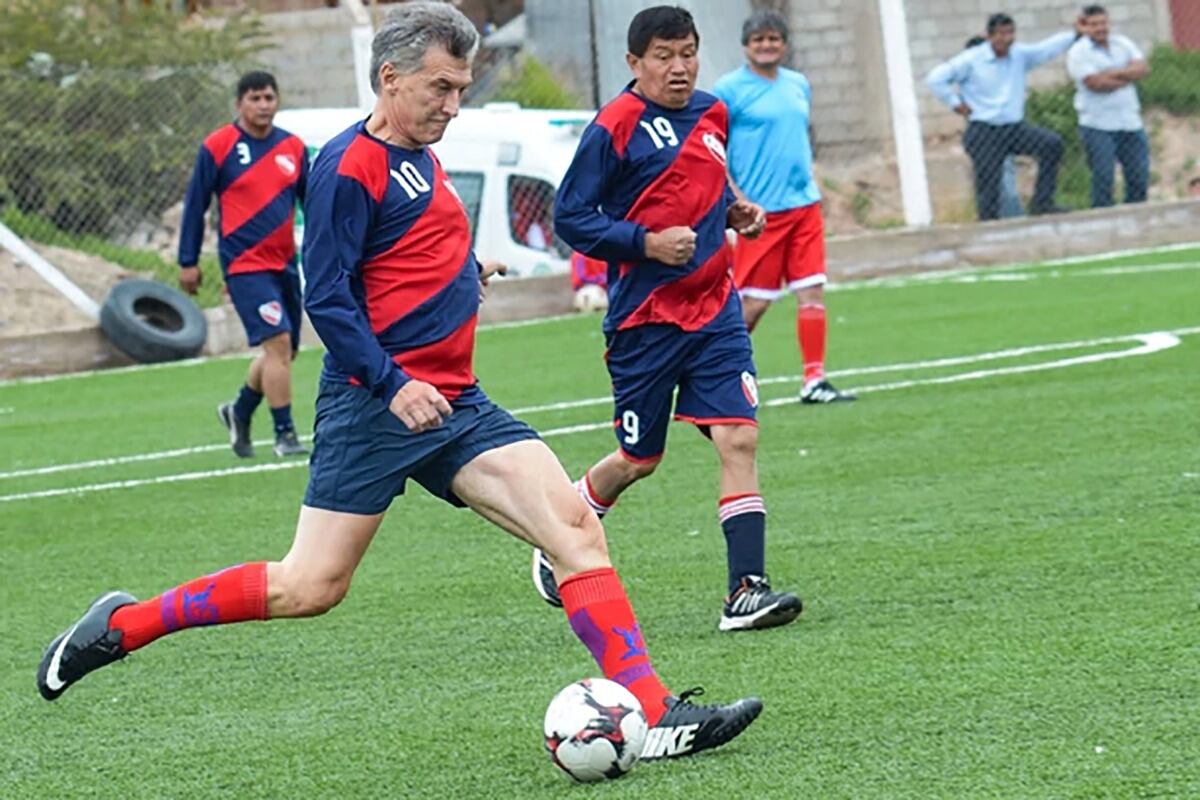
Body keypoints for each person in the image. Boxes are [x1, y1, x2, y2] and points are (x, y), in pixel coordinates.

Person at [36, 2, 762, 762]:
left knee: (575, 530)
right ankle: (124, 626)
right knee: (309, 588)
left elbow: (403, 250)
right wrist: (390, 384)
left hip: (457, 402)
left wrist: (463, 271)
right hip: (373, 407)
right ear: (390, 77)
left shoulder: (422, 152)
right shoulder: (347, 165)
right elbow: (328, 297)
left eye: (462, 89)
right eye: (440, 88)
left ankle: (651, 715)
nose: (453, 105)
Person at [532, 6, 804, 633]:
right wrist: (646, 244)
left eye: (687, 53)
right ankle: (561, 525)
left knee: (739, 436)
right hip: (645, 320)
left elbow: (709, 179)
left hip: (714, 311)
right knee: (638, 458)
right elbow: (571, 218)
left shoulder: (712, 112)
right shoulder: (615, 126)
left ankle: (745, 591)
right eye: (663, 55)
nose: (678, 67)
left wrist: (735, 209)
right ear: (635, 63)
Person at [713, 10, 856, 404]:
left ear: (784, 44)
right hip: (763, 215)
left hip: (804, 206)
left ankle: (814, 380)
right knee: (754, 303)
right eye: (759, 39)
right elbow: (712, 148)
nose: (767, 45)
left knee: (812, 292)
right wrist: (737, 199)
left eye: (774, 39)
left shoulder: (798, 84)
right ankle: (714, 375)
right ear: (746, 46)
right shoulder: (729, 90)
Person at [178, 71, 309, 458]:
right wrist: (188, 261)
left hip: (284, 264)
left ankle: (239, 410)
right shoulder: (218, 147)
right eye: (255, 98)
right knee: (279, 344)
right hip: (245, 266)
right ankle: (284, 434)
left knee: (283, 353)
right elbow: (195, 206)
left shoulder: (293, 148)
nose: (263, 105)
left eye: (269, 97)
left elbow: (313, 203)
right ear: (239, 104)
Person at [927, 12, 1085, 220]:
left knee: (1051, 144)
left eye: (1010, 33)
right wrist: (956, 103)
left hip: (1013, 127)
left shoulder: (1018, 55)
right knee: (989, 183)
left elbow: (1045, 49)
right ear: (990, 36)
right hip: (985, 129)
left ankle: (1042, 202)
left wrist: (1074, 35)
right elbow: (936, 78)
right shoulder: (973, 59)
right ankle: (988, 224)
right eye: (1000, 34)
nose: (1006, 39)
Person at [1067, 4, 1151, 208]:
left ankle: (1135, 220)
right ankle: (1103, 225)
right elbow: (1095, 84)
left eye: (1103, 23)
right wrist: (1126, 76)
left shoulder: (1122, 43)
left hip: (1130, 121)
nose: (1100, 28)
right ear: (1085, 27)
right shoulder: (1079, 52)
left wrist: (1110, 73)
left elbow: (1143, 68)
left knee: (1139, 176)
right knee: (1104, 178)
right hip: (1098, 124)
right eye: (1094, 24)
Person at [965, 34, 1024, 218]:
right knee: (996, 184)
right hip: (987, 138)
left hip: (1003, 134)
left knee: (1004, 184)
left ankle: (1010, 221)